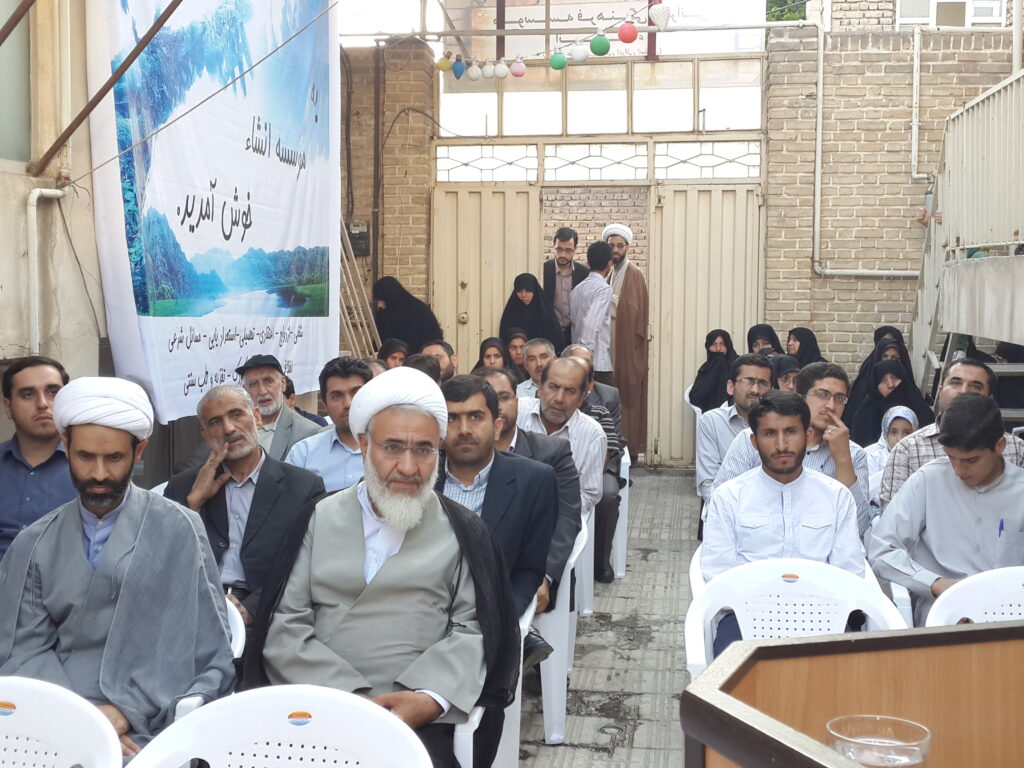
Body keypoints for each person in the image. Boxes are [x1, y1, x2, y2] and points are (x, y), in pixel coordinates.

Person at [251, 367, 518, 768]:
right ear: (364, 445)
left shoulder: (464, 532)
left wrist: (429, 699)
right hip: (319, 707)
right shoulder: (316, 519)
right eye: (392, 447)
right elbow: (285, 626)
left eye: (423, 450)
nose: (408, 468)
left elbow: (476, 629)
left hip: (416, 717)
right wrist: (350, 701)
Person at [0, 377, 235, 755]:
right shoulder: (35, 543)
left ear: (138, 451)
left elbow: (199, 648)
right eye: (85, 456)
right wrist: (80, 718)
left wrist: (127, 710)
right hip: (56, 712)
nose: (98, 474)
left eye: (113, 458)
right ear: (65, 446)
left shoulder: (179, 528)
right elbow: (22, 650)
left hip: (154, 713)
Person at [436, 375, 557, 767]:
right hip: (420, 618)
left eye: (475, 417)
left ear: (498, 424)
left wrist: (499, 620)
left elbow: (528, 570)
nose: (464, 429)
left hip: (487, 625)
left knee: (477, 713)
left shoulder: (534, 481)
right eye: (452, 418)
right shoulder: (418, 477)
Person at [702, 391, 863, 654]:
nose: (781, 445)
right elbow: (718, 573)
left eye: (790, 432)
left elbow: (849, 572)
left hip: (823, 616)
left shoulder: (836, 497)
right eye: (769, 434)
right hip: (746, 616)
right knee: (731, 672)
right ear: (754, 441)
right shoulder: (729, 497)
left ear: (807, 435)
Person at [165, 385, 325, 627]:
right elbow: (165, 560)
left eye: (237, 414)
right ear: (205, 434)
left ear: (257, 418)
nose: (229, 428)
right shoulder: (183, 487)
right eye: (215, 422)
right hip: (195, 613)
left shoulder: (302, 487)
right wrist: (193, 504)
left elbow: (305, 565)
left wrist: (252, 609)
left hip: (270, 617)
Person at [869, 393, 1024, 625]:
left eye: (971, 460)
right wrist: (934, 583)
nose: (959, 471)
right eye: (951, 457)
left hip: (1011, 614)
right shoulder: (928, 480)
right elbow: (882, 550)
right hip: (942, 613)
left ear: (1000, 446)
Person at [712, 362, 871, 536]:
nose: (831, 406)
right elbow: (720, 509)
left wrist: (843, 459)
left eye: (840, 398)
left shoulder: (853, 454)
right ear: (800, 396)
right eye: (822, 395)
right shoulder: (754, 439)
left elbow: (859, 526)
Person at [480, 367, 581, 616]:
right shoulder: (456, 457)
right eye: (486, 399)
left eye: (503, 397)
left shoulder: (552, 453)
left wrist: (544, 576)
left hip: (524, 572)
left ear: (518, 401)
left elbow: (566, 518)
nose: (496, 406)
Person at [879, 359, 1024, 510]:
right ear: (940, 391)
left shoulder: (1017, 449)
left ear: (989, 399)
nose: (963, 391)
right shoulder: (908, 450)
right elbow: (894, 517)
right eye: (956, 383)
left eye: (976, 386)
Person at [517, 358, 606, 580]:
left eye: (570, 391)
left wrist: (549, 511)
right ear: (539, 388)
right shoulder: (517, 413)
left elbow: (589, 494)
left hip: (560, 521)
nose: (559, 398)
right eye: (553, 387)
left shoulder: (592, 434)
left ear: (582, 398)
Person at [0, 356, 75, 559]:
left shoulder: (90, 469)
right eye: (27, 394)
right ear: (8, 407)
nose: (42, 404)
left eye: (53, 392)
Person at [566, 352, 624, 583]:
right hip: (562, 472)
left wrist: (586, 474)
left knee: (607, 495)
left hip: (599, 468)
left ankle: (600, 562)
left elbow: (609, 449)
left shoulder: (600, 409)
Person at [285, 357, 372, 491]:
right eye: (337, 396)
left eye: (356, 393)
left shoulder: (395, 450)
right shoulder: (303, 455)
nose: (348, 403)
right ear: (325, 404)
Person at [695, 354, 772, 503]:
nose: (755, 390)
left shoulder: (781, 428)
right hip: (726, 509)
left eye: (763, 383)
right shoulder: (712, 422)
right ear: (731, 387)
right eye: (748, 381)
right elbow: (708, 486)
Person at [603, 223, 649, 461]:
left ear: (628, 247)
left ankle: (628, 452)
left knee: (628, 398)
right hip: (609, 346)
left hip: (628, 347)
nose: (615, 250)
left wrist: (608, 299)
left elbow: (635, 311)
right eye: (611, 245)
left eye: (620, 245)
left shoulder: (635, 274)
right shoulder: (608, 272)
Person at [237, 354, 320, 461]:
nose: (262, 391)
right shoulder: (234, 428)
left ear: (283, 383)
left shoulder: (307, 433)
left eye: (268, 381)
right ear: (245, 390)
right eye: (253, 384)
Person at [845, 359, 933, 447]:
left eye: (894, 378)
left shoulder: (920, 410)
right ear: (875, 385)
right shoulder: (865, 415)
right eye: (883, 380)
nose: (891, 385)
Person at [570, 242, 614, 386]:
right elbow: (591, 324)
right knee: (608, 398)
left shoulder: (577, 289)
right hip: (596, 363)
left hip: (577, 360)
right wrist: (585, 358)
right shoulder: (603, 289)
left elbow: (574, 323)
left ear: (588, 262)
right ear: (610, 263)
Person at [846, 334, 919, 419]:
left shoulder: (916, 402)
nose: (889, 361)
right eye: (884, 357)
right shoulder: (863, 398)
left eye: (895, 359)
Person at [864, 406, 918, 516]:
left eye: (907, 433)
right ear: (885, 434)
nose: (900, 438)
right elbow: (869, 491)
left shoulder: (919, 458)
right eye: (893, 432)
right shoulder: (875, 457)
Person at [542, 226, 589, 349]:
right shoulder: (542, 271)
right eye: (559, 249)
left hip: (576, 334)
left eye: (568, 250)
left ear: (575, 249)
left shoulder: (584, 273)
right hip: (549, 333)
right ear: (554, 247)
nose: (563, 254)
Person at [372, 276, 444, 355]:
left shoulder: (419, 311)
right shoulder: (384, 313)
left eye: (382, 300)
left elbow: (433, 339)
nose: (379, 305)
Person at [498, 274, 563, 354]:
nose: (523, 295)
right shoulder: (510, 313)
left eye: (528, 291)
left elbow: (556, 339)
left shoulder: (545, 312)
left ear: (534, 290)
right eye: (519, 291)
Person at [690, 330, 738, 413]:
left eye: (722, 344)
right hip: (711, 415)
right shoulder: (706, 369)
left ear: (728, 346)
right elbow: (695, 398)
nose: (718, 349)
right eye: (714, 344)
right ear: (708, 348)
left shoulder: (738, 366)